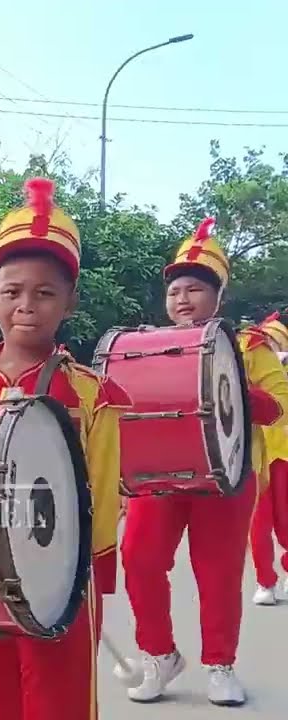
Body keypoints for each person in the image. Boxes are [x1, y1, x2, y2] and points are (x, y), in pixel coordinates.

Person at [0, 177, 129, 720]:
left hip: (61, 580)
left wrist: (91, 579)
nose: (27, 305)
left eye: (45, 293)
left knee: (59, 703)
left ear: (70, 302)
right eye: (13, 291)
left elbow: (102, 499)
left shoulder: (92, 393)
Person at [121, 218, 288, 706]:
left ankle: (220, 664)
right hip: (161, 475)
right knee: (139, 558)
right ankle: (159, 655)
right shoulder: (150, 347)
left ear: (218, 297)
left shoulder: (250, 347)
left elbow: (279, 406)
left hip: (227, 476)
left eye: (194, 289)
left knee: (217, 573)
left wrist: (231, 384)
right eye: (174, 291)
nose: (182, 299)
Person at [250, 316, 288, 605]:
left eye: (274, 342)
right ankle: (265, 581)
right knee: (258, 524)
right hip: (257, 457)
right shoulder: (248, 365)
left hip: (285, 455)